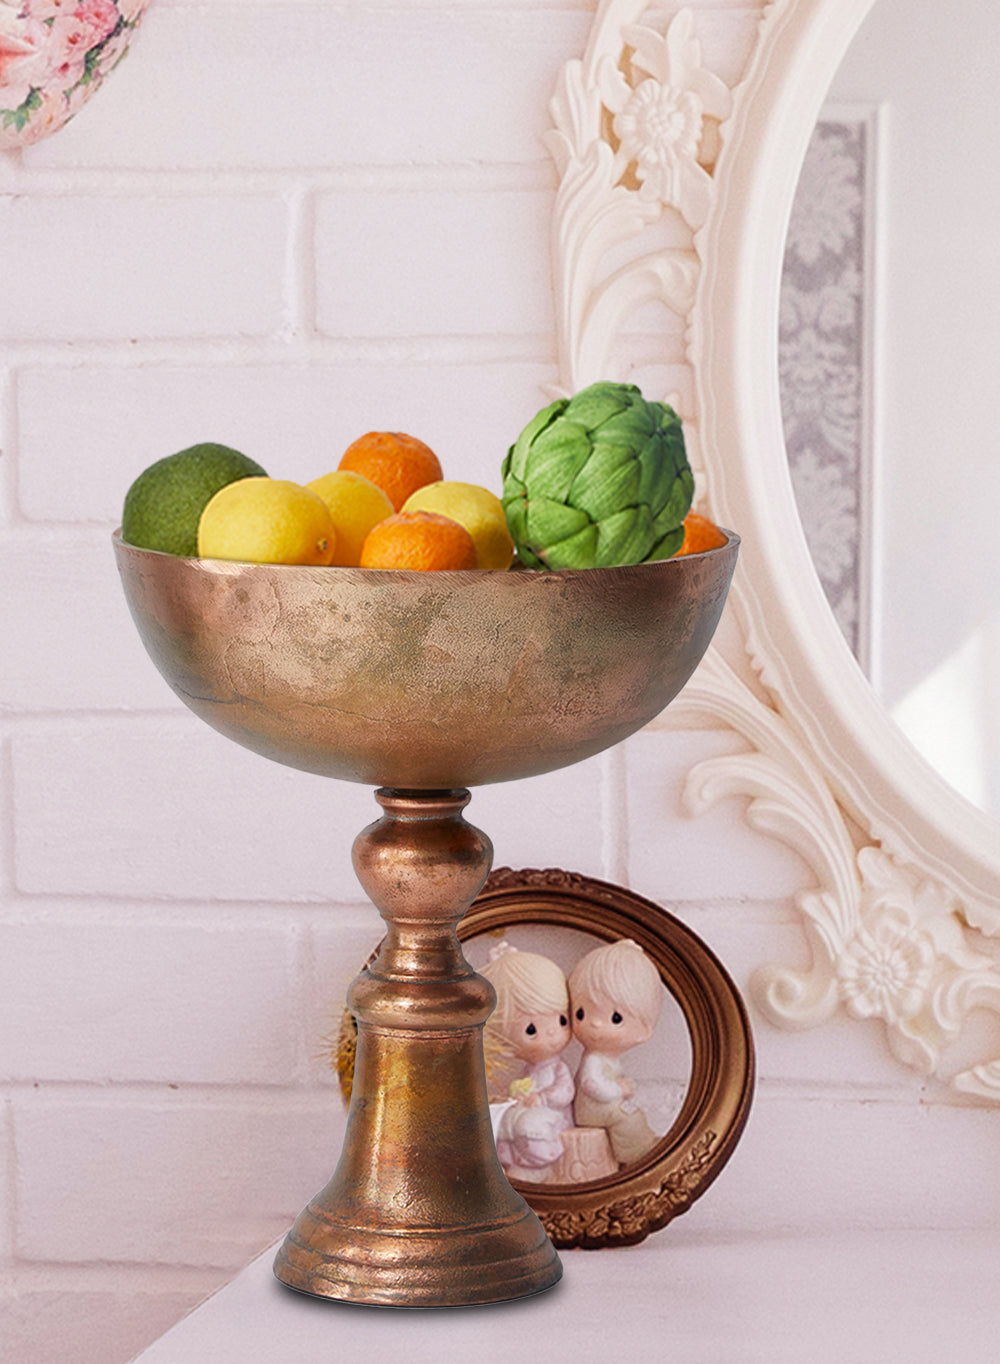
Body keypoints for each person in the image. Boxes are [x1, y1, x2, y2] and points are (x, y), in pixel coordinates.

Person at [480, 942, 575, 1182]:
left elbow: (566, 1091)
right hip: (535, 1117)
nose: (553, 1033)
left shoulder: (557, 1068)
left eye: (561, 1020)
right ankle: (518, 1165)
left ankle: (540, 1165)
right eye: (531, 1030)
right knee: (505, 1125)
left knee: (528, 1127)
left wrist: (542, 1097)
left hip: (557, 1122)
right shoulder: (527, 1071)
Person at [568, 938, 665, 1167]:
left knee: (633, 1114)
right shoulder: (593, 1059)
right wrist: (617, 1089)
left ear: (643, 1030)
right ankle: (633, 1155)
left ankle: (644, 1142)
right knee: (626, 1118)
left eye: (615, 1018)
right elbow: (592, 1085)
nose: (596, 1025)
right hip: (592, 1109)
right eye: (582, 1013)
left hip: (601, 1105)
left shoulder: (607, 1058)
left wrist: (623, 1086)